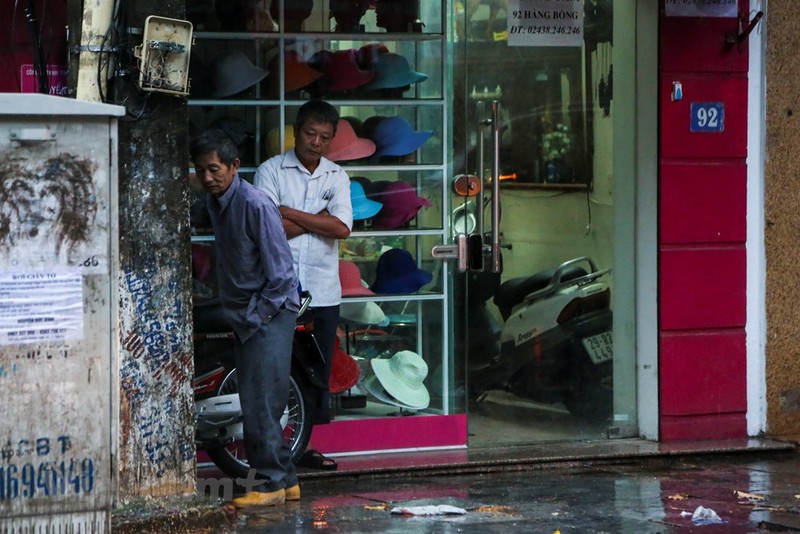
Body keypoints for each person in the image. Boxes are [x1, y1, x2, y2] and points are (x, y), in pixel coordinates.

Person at [190, 129, 301, 507]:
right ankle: (286, 480)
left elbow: (282, 275)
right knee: (260, 400)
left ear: (235, 167)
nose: (207, 177)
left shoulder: (255, 205)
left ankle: (268, 485)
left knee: (259, 404)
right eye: (201, 170)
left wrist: (255, 317)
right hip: (246, 313)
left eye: (214, 169)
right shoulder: (217, 202)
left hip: (267, 313)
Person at [254, 99, 353, 471]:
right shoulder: (271, 171)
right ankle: (273, 450)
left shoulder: (336, 177)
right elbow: (268, 229)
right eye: (310, 134)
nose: (316, 142)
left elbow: (342, 229)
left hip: (322, 292)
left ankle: (305, 447)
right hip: (278, 293)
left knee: (316, 372)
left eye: (324, 137)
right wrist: (319, 219)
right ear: (297, 132)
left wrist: (291, 213)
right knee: (278, 369)